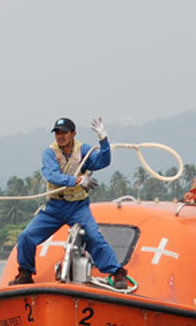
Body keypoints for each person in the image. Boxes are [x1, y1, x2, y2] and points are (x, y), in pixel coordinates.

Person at [9, 117, 128, 289]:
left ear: (73, 134)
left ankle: (117, 273)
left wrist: (103, 140)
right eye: (57, 133)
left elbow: (103, 161)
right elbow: (51, 175)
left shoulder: (84, 150)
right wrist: (78, 180)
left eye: (64, 132)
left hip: (78, 206)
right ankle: (25, 273)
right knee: (27, 236)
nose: (60, 136)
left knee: (94, 236)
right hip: (55, 207)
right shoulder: (49, 153)